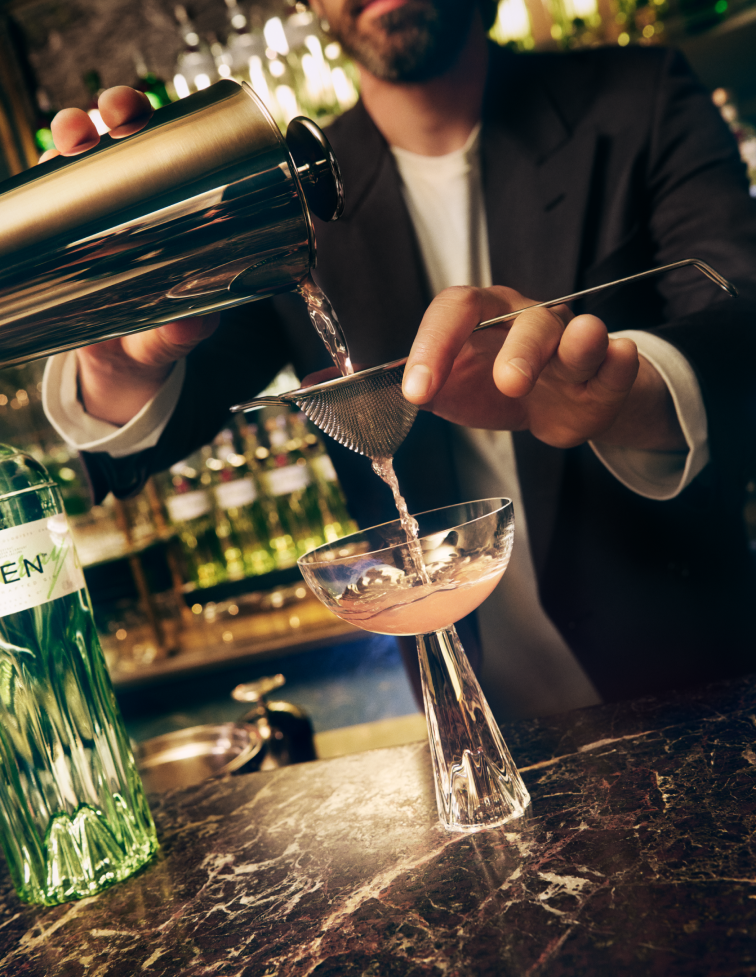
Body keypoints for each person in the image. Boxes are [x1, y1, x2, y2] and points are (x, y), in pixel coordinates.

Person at [41, 0, 756, 719]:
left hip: (704, 697)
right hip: (477, 729)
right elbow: (167, 406)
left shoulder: (643, 95)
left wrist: (621, 399)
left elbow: (741, 315)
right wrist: (113, 364)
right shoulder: (286, 204)